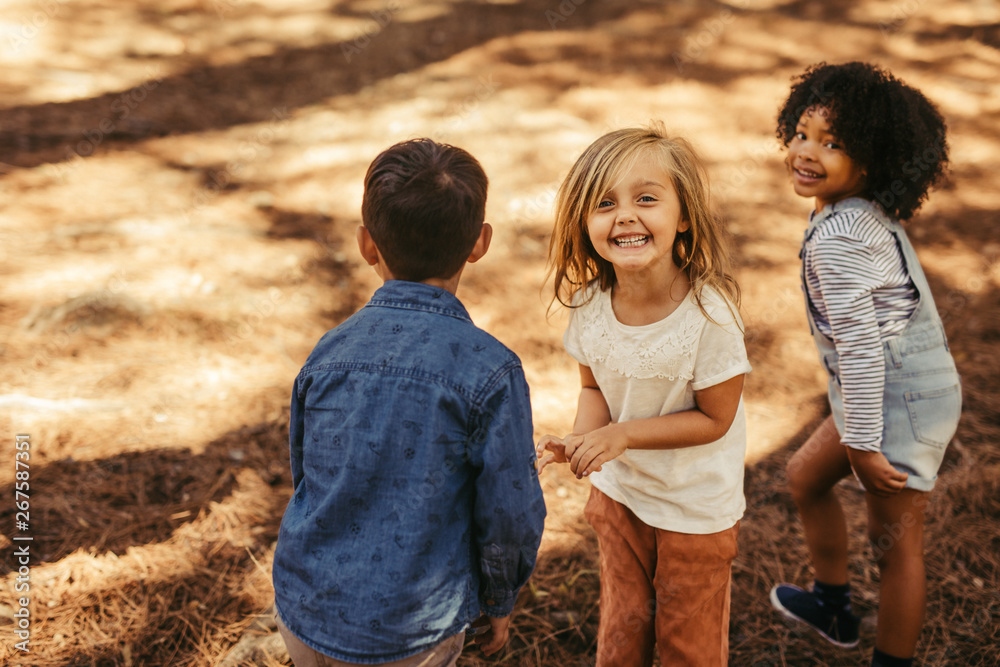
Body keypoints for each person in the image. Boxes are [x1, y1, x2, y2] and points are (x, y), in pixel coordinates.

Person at [271, 138, 546, 667]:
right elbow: (510, 507)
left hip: (304, 612)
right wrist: (499, 599)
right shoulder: (490, 369)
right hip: (412, 633)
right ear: (479, 243)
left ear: (366, 245)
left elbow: (306, 474)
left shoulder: (329, 351)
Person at [768, 62, 961, 667]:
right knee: (805, 478)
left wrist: (864, 442)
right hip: (884, 390)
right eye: (802, 133)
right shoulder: (855, 210)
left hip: (898, 398)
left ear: (872, 159)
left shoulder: (841, 235)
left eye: (834, 144)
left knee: (896, 547)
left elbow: (859, 348)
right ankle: (833, 606)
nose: (807, 151)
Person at [536, 124, 751, 666]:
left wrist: (622, 435)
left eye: (646, 199)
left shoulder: (710, 317)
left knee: (687, 644)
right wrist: (584, 439)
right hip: (620, 498)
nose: (625, 215)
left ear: (683, 218)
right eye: (604, 203)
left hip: (694, 509)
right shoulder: (589, 304)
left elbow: (715, 418)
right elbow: (594, 386)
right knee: (623, 629)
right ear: (585, 224)